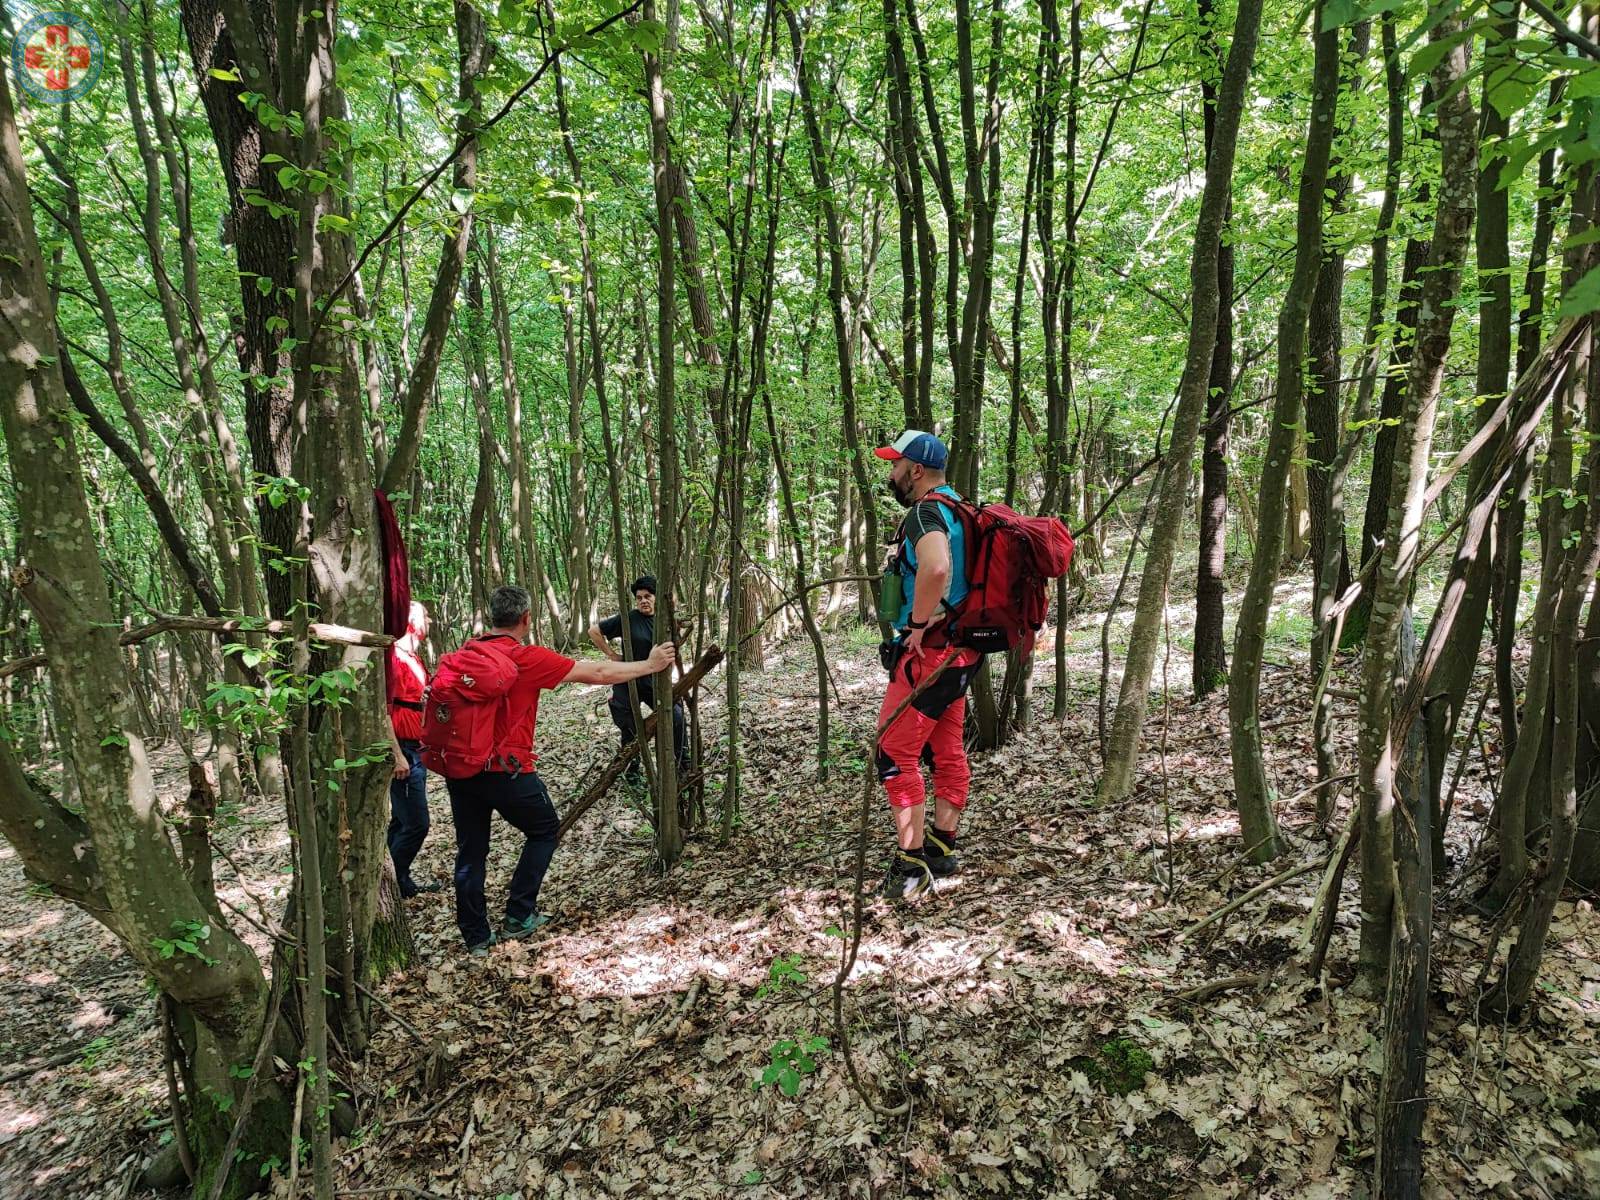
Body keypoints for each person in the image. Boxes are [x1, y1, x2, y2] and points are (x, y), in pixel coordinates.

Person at [448, 584, 675, 956]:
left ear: (492, 618)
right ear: (525, 619)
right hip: (508, 770)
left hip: (460, 769)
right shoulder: (527, 657)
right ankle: (519, 915)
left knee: (471, 852)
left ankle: (475, 937)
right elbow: (598, 672)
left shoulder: (466, 654)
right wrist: (650, 666)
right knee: (545, 830)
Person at [873, 430, 982, 900]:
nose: (891, 472)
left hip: (932, 652)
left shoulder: (926, 511)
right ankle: (942, 845)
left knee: (892, 751)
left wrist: (916, 625)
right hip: (962, 651)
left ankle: (911, 865)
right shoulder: (963, 508)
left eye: (896, 464)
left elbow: (936, 568)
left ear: (915, 470)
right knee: (944, 748)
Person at [587, 576, 687, 782]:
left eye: (648, 596)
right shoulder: (628, 618)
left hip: (654, 680)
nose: (643, 601)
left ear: (657, 598)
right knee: (628, 724)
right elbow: (594, 631)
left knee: (676, 717)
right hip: (628, 678)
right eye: (639, 597)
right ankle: (632, 770)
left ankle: (682, 764)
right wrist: (612, 655)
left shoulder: (666, 620)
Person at [386, 601, 440, 899]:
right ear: (412, 621)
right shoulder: (393, 658)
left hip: (416, 748)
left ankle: (400, 881)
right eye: (424, 615)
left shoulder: (411, 657)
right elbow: (383, 710)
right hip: (404, 752)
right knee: (416, 824)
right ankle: (388, 884)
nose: (428, 620)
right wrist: (396, 755)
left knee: (402, 821)